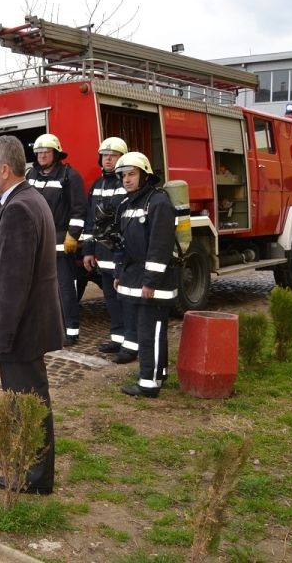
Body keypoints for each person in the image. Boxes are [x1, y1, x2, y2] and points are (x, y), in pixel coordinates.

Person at [0, 134, 64, 494]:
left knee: (26, 404)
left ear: (5, 169)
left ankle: (33, 476)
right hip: (30, 326)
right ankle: (33, 471)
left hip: (21, 330)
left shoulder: (18, 207)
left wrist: (1, 335)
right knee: (29, 401)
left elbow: (13, 283)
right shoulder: (29, 198)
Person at [112, 152, 178, 398]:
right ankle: (157, 374)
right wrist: (119, 272)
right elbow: (121, 243)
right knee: (148, 330)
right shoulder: (127, 203)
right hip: (134, 276)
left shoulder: (158, 202)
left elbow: (160, 247)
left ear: (145, 175)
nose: (126, 180)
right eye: (123, 175)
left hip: (154, 281)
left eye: (132, 174)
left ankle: (148, 383)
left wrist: (150, 281)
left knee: (151, 331)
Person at [26, 133, 86, 346]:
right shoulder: (31, 174)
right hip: (37, 241)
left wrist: (73, 235)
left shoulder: (70, 176)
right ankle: (47, 328)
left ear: (56, 153)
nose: (42, 155)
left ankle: (71, 331)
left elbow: (79, 210)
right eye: (39, 152)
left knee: (64, 288)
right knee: (40, 288)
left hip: (61, 240)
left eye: (46, 151)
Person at [82, 137, 138, 363]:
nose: (107, 159)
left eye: (113, 155)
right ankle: (117, 339)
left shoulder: (125, 185)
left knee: (126, 302)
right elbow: (90, 221)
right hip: (103, 257)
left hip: (122, 256)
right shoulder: (97, 185)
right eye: (105, 155)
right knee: (112, 301)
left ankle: (130, 347)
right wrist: (87, 250)